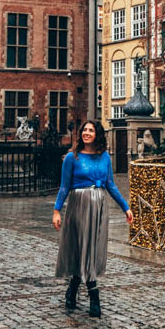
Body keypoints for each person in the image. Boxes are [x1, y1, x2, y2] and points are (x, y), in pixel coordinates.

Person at [53, 120, 133, 317]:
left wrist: (125, 207)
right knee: (82, 246)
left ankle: (73, 287)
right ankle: (93, 294)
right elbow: (64, 187)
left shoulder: (104, 157)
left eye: (91, 130)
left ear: (97, 134)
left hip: (99, 205)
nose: (86, 133)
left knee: (92, 247)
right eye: (84, 130)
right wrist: (56, 210)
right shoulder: (72, 158)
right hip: (78, 204)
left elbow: (111, 185)